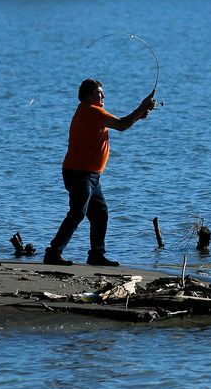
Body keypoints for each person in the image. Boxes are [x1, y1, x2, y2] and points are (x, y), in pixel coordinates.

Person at [44, 79, 156, 266]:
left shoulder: (92, 112)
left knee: (100, 213)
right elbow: (121, 125)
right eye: (99, 93)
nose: (103, 96)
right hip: (79, 173)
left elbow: (123, 123)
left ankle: (96, 254)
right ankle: (53, 252)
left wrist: (140, 114)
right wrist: (141, 107)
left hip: (91, 175)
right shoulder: (91, 111)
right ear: (88, 96)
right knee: (78, 212)